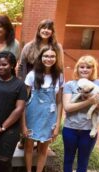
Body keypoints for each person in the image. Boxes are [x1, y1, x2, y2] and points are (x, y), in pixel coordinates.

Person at [22, 46, 63, 172]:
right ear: (40, 58)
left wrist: (58, 124)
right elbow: (24, 101)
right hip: (32, 116)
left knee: (43, 148)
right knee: (28, 146)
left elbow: (59, 102)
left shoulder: (59, 76)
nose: (49, 59)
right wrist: (24, 124)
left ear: (56, 58)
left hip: (49, 118)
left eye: (52, 56)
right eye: (46, 56)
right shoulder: (32, 76)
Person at [17, 19, 64, 150]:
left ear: (52, 32)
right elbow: (21, 66)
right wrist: (21, 83)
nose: (46, 30)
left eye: (49, 28)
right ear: (38, 29)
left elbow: (60, 66)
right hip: (30, 83)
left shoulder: (57, 48)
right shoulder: (29, 46)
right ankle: (25, 139)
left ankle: (41, 140)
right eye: (43, 27)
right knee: (28, 112)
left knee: (45, 112)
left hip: (49, 81)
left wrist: (59, 82)